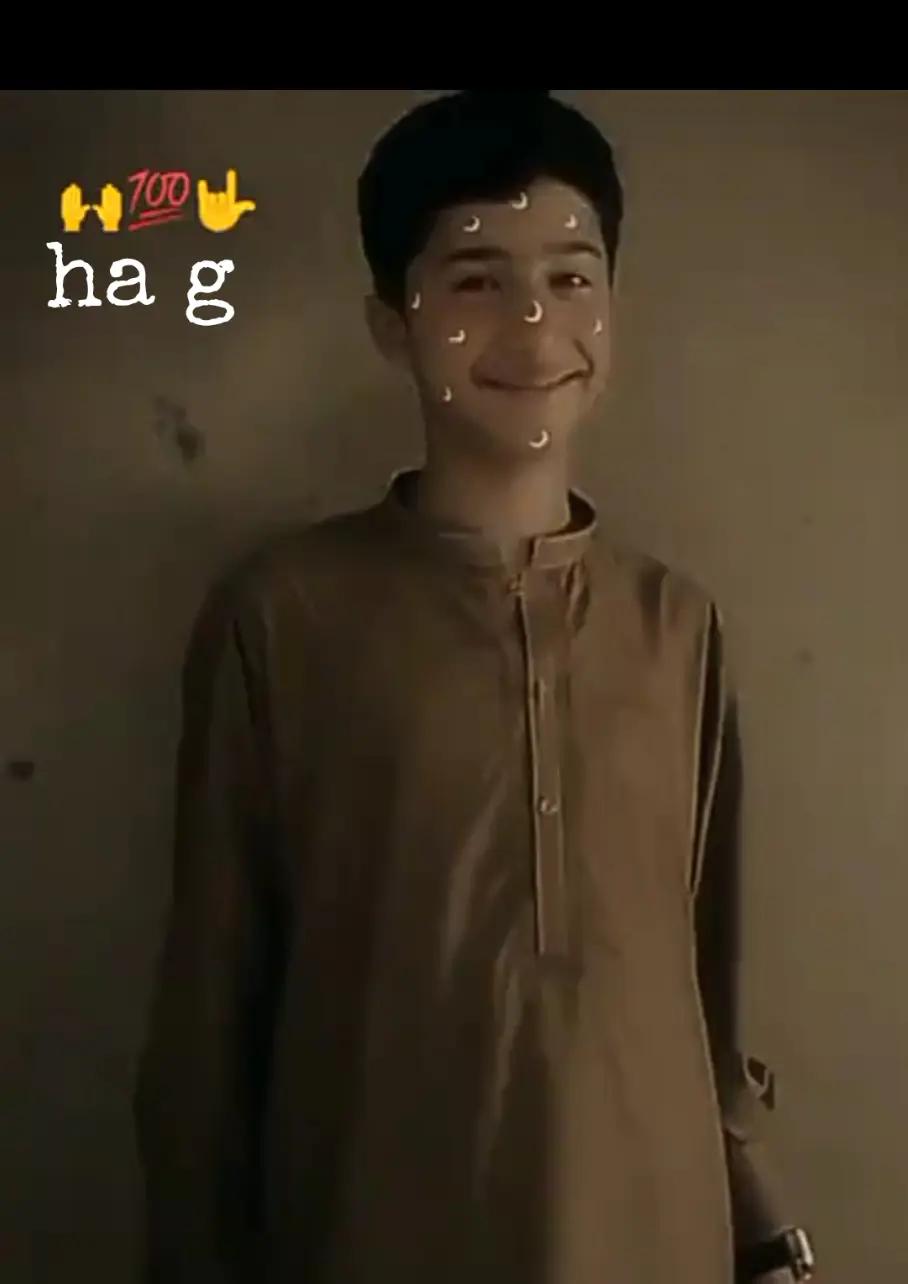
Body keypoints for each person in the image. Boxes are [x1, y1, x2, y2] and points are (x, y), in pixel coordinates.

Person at [133, 89, 813, 1283]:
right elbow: (208, 1022)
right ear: (391, 323)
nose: (531, 323)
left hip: (653, 1237)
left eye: (569, 276)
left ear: (612, 307)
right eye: (474, 279)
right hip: (371, 1232)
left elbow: (710, 986)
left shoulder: (674, 625)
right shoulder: (282, 617)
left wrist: (763, 1237)